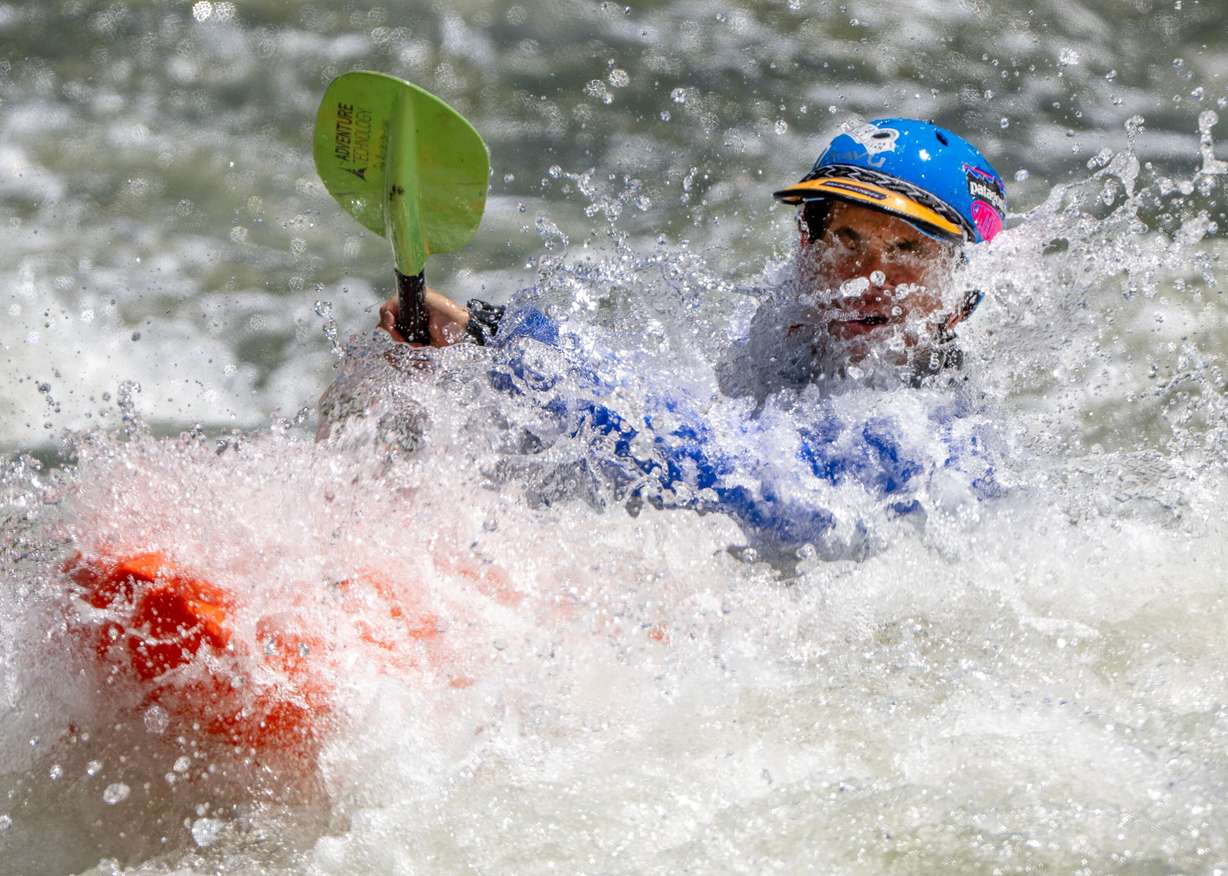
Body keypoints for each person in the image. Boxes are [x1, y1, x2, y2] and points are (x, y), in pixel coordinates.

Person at [364, 118, 1009, 556]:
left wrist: (497, 337)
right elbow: (662, 401)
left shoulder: (924, 440)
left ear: (959, 291)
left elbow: (727, 477)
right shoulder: (782, 340)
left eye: (907, 250)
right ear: (805, 243)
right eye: (847, 239)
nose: (869, 276)